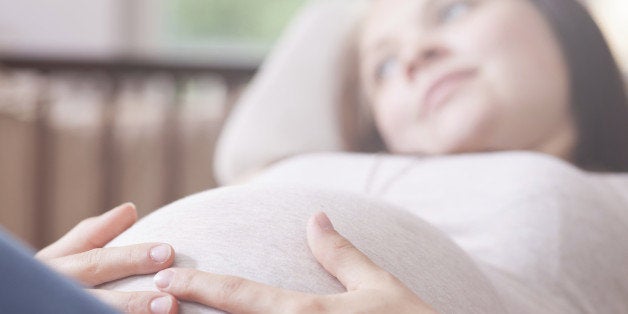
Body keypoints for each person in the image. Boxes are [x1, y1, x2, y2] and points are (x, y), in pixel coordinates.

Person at [36, 0, 628, 313]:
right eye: (384, 67)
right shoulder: (315, 168)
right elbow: (251, 147)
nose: (416, 56)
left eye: (450, 10)